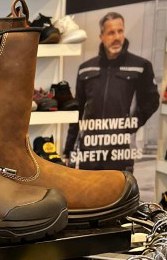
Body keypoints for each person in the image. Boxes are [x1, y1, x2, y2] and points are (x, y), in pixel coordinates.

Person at [64, 11, 159, 172]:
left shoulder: (140, 66)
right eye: (111, 33)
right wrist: (68, 150)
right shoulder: (86, 69)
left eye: (120, 31)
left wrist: (130, 125)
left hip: (119, 151)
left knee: (120, 189)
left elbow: (152, 101)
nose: (117, 37)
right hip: (89, 151)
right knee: (88, 189)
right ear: (101, 37)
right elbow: (77, 111)